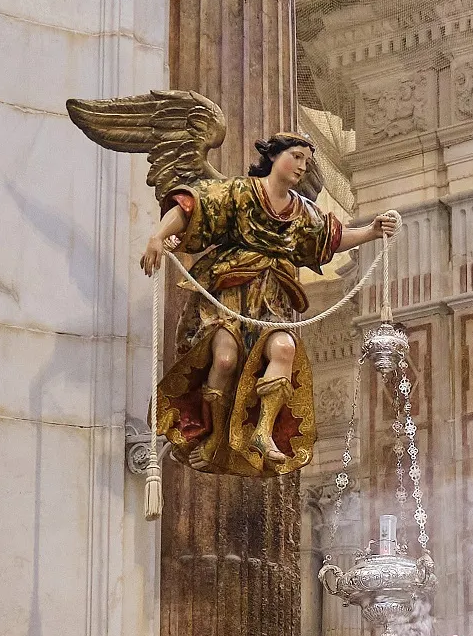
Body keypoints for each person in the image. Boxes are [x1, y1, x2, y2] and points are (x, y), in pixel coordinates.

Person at [138, 132, 400, 474]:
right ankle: (214, 434)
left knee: (285, 350)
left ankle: (263, 433)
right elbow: (192, 206)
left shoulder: (302, 211)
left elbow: (329, 239)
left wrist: (372, 232)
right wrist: (157, 236)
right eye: (297, 157)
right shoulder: (241, 192)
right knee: (225, 359)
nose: (302, 167)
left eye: (307, 161)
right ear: (274, 156)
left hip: (271, 299)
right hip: (229, 295)